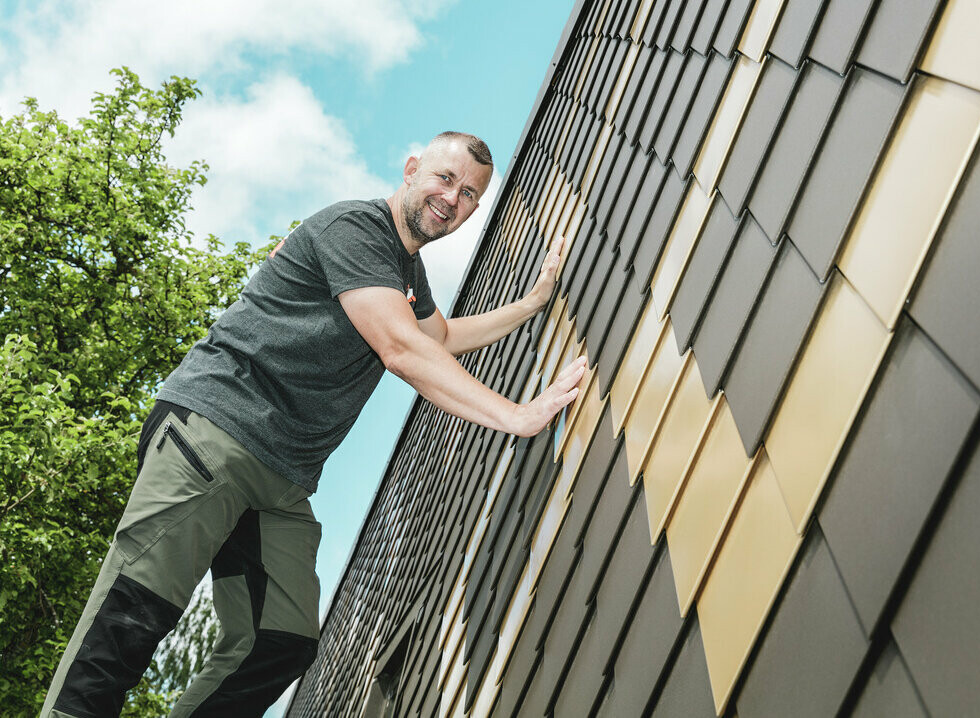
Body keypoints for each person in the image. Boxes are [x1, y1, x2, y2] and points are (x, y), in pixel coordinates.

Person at [41, 131, 586, 717]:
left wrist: (532, 303)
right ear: (410, 171)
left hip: (280, 479)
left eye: (470, 194)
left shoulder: (404, 272)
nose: (453, 199)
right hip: (216, 434)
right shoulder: (353, 229)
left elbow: (442, 339)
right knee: (132, 613)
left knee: (281, 640)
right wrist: (519, 415)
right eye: (445, 179)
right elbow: (402, 350)